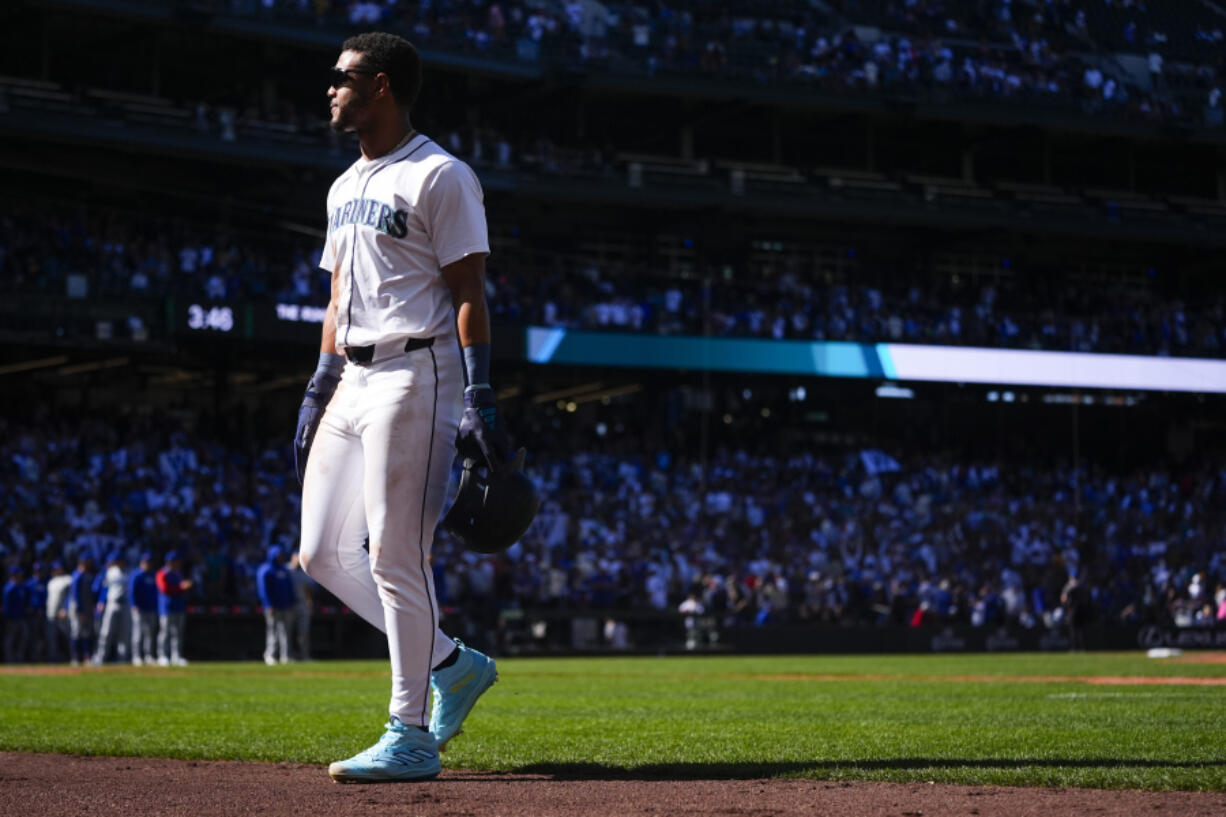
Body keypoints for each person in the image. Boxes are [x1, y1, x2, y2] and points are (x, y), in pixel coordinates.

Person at [295, 31, 505, 783]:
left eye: (344, 78)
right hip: (351, 375)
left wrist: (479, 393)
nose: (332, 89)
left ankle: (409, 732)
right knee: (320, 551)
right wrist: (318, 384)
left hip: (419, 372)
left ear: (381, 86)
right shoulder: (343, 185)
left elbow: (469, 291)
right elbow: (337, 295)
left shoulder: (441, 175)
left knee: (394, 554)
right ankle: (452, 661)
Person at [256, 545, 294, 665]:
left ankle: (285, 656)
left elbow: (289, 588)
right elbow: (263, 590)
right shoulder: (266, 570)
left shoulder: (284, 570)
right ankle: (270, 655)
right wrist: (268, 605)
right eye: (278, 555)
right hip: (273, 607)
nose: (281, 557)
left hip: (285, 606)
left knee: (285, 632)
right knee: (272, 632)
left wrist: (291, 601)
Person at [92, 551, 131, 665]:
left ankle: (122, 658)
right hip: (112, 603)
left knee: (124, 633)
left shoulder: (127, 572)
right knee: (106, 632)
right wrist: (100, 602)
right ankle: (100, 657)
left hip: (125, 604)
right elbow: (97, 588)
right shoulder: (108, 572)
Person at [155, 551, 192, 666]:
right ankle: (162, 656)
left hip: (179, 607)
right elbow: (164, 589)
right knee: (165, 632)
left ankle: (176, 656)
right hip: (166, 608)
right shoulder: (162, 573)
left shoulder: (178, 574)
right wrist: (181, 587)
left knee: (178, 633)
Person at [129, 552, 159, 665]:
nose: (148, 564)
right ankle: (136, 656)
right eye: (146, 562)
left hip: (150, 608)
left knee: (149, 633)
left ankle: (148, 656)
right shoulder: (136, 575)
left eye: (149, 562)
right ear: (141, 562)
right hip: (139, 608)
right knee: (138, 633)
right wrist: (134, 605)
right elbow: (131, 592)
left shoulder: (153, 574)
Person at [67, 554, 98, 666]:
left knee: (86, 633)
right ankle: (75, 658)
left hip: (86, 607)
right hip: (77, 608)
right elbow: (75, 595)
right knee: (76, 632)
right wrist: (80, 610)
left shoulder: (88, 575)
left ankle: (86, 657)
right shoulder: (77, 576)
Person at [288, 549, 314, 661]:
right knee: (287, 632)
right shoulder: (286, 570)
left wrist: (309, 602)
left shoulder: (304, 572)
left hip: (302, 604)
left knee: (303, 632)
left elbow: (308, 589)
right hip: (288, 604)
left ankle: (304, 655)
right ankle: (288, 656)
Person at [45, 560, 72, 663]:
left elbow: (70, 596)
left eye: (59, 568)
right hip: (50, 614)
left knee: (67, 637)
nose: (57, 570)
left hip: (62, 614)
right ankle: (53, 659)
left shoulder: (67, 579)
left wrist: (65, 608)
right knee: (52, 639)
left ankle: (71, 657)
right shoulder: (51, 581)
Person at [23, 562, 48, 662]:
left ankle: (43, 657)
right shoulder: (29, 583)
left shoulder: (46, 582)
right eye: (37, 571)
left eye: (40, 571)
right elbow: (25, 599)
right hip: (33, 614)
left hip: (44, 613)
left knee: (44, 637)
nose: (39, 573)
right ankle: (33, 657)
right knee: (33, 636)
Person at [3, 565, 28, 663]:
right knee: (10, 638)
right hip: (11, 618)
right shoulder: (9, 588)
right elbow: (7, 605)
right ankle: (10, 658)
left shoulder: (21, 586)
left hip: (21, 617)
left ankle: (19, 656)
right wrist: (8, 617)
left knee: (24, 636)